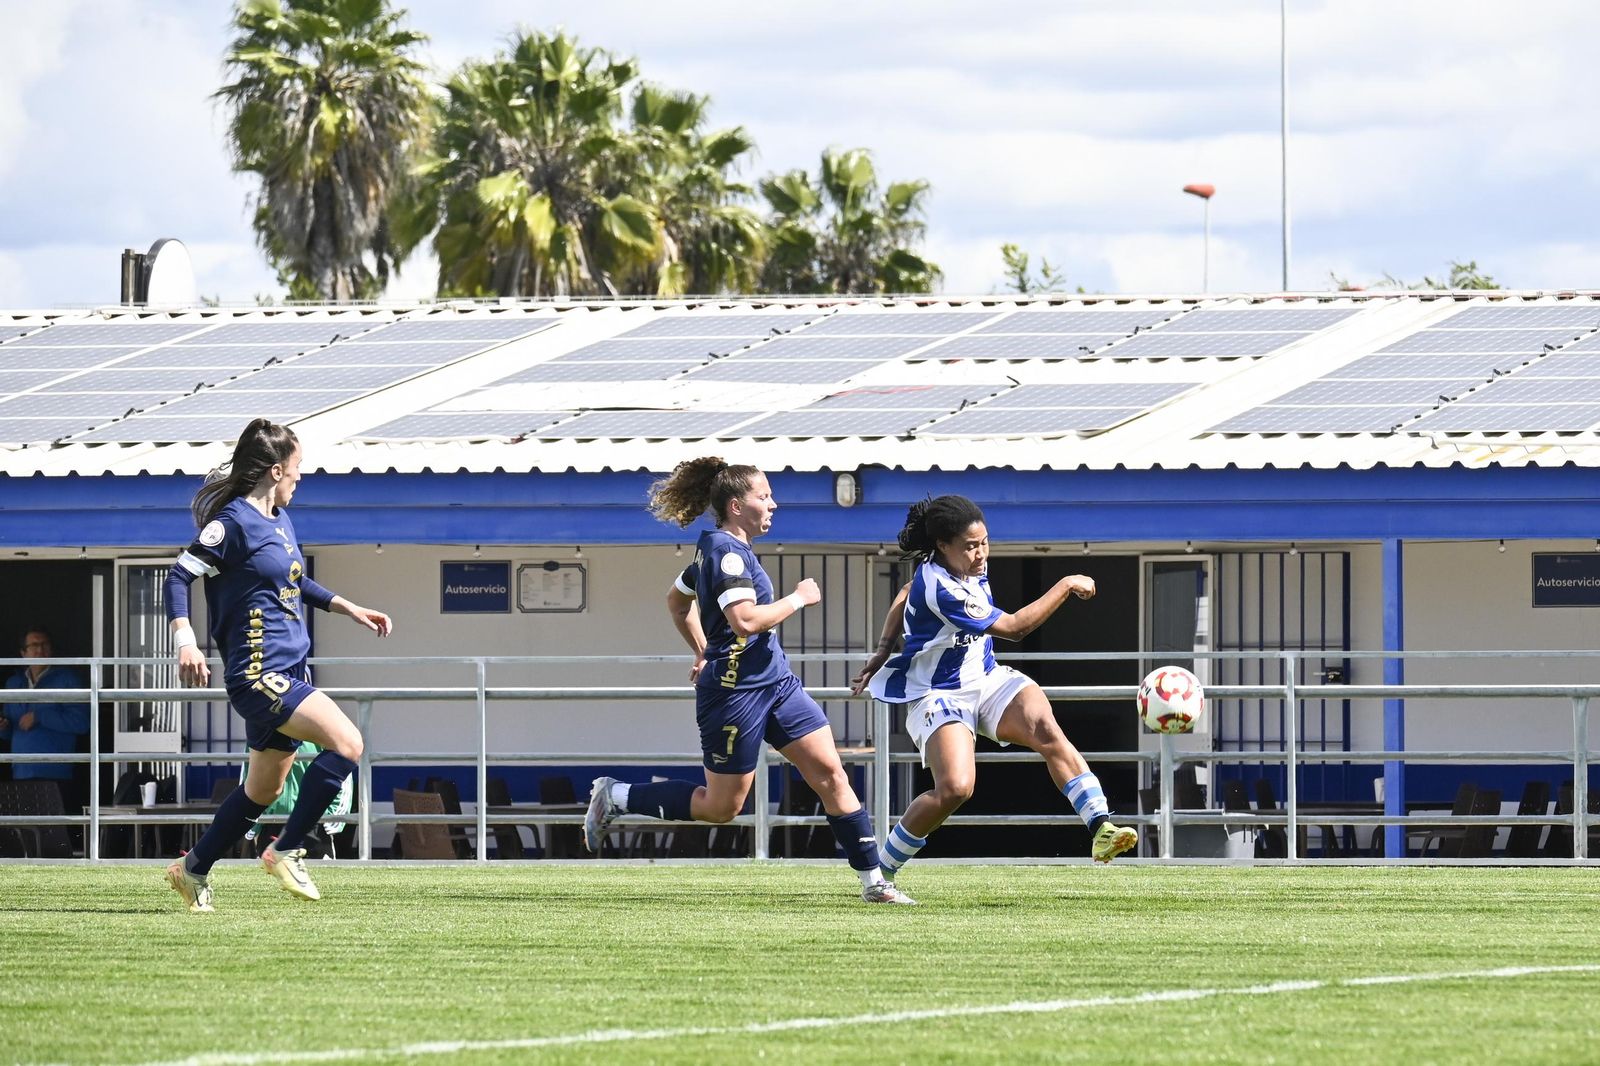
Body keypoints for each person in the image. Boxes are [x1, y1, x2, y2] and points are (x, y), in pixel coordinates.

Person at [584, 457, 914, 904]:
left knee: (831, 774)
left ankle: (874, 883)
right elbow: (744, 620)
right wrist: (798, 598)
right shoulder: (724, 552)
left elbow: (677, 603)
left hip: (777, 685)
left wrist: (702, 648)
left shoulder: (718, 549)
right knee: (721, 808)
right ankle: (617, 794)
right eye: (764, 496)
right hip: (733, 695)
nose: (773, 503)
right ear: (737, 505)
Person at [163, 418, 393, 912]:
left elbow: (291, 580)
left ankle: (193, 868)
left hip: (291, 672)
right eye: (297, 468)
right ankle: (286, 847)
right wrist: (186, 641)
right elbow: (178, 577)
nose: (300, 477)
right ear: (274, 470)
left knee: (262, 789)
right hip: (258, 674)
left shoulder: (279, 520)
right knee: (348, 742)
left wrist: (346, 606)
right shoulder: (232, 523)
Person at [850, 494, 1137, 883]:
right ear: (942, 546)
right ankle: (880, 873)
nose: (981, 553)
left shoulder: (958, 565)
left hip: (985, 679)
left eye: (985, 542)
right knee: (955, 788)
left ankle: (1101, 827)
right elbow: (1016, 627)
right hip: (939, 693)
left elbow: (903, 594)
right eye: (970, 546)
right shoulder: (942, 588)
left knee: (1046, 728)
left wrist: (883, 648)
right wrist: (1067, 583)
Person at [0, 627, 91, 817]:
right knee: (26, 832)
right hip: (22, 770)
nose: (40, 650)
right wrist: (3, 727)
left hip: (56, 770)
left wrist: (40, 716)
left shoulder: (68, 680)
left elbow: (81, 723)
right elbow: (9, 730)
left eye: (44, 645)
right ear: (23, 653)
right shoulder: (13, 683)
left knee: (54, 833)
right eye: (34, 645)